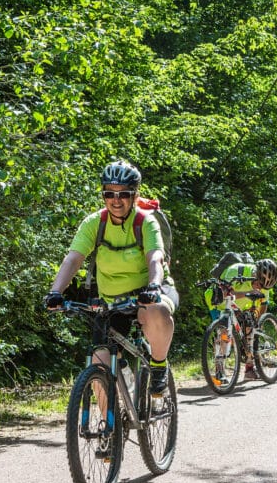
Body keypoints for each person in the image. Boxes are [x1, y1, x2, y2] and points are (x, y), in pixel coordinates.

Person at [44, 159, 179, 393]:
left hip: (151, 291)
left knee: (155, 311)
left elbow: (155, 257)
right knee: (99, 363)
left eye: (123, 194)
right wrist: (56, 291)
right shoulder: (94, 223)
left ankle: (158, 367)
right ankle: (109, 427)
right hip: (112, 300)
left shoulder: (145, 222)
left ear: (135, 196)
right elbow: (73, 259)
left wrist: (154, 286)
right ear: (103, 195)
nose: (116, 200)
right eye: (110, 193)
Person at [203, 257, 277, 379]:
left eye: (264, 287)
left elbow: (264, 304)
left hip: (242, 305)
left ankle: (249, 368)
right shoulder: (235, 271)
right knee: (223, 333)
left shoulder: (265, 285)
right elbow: (224, 293)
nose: (260, 288)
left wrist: (258, 326)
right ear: (255, 274)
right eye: (259, 284)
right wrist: (248, 293)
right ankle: (219, 370)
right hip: (218, 303)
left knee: (250, 327)